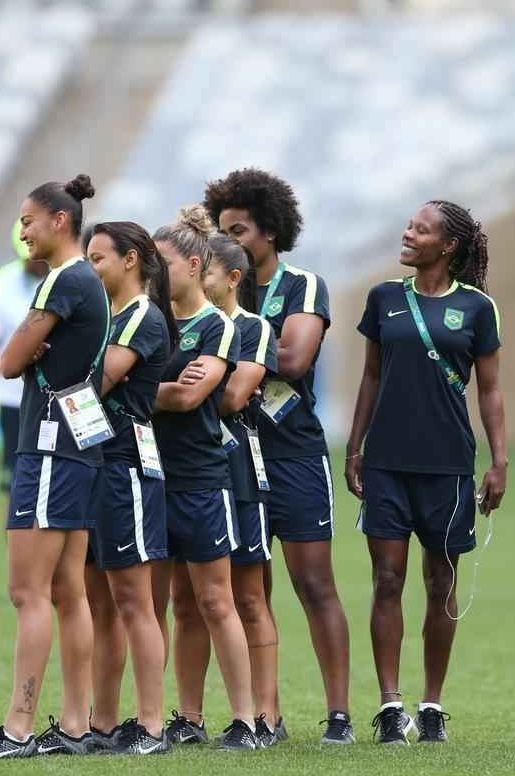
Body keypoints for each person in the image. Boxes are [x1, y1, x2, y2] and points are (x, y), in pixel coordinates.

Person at [0, 175, 109, 759]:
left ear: (59, 222)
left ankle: (18, 727)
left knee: (28, 591)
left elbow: (11, 362)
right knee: (69, 590)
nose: (22, 231)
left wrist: (29, 346)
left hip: (48, 445)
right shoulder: (86, 281)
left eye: (28, 220)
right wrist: (30, 349)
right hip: (77, 445)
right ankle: (73, 726)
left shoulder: (60, 284)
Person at [345, 200, 508, 745]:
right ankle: (390, 706)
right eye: (410, 225)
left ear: (449, 245)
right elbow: (370, 377)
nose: (408, 233)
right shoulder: (385, 299)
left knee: (441, 582)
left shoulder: (478, 308)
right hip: (388, 463)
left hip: (448, 468)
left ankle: (432, 705)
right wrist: (354, 446)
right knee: (386, 579)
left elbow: (490, 390)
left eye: (421, 229)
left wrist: (499, 461)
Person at [203, 169, 353, 744]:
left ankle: (337, 713)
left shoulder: (304, 286)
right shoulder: (219, 290)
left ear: (270, 230)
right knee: (250, 590)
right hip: (234, 454)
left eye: (239, 228)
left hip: (293, 452)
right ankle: (266, 714)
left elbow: (292, 358)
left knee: (314, 584)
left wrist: (234, 335)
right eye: (223, 230)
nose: (230, 239)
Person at [149, 206, 258, 751]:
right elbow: (159, 392)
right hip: (149, 474)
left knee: (216, 600)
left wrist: (149, 393)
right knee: (170, 605)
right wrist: (161, 394)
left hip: (199, 475)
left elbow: (193, 396)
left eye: (160, 263)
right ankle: (185, 718)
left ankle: (246, 719)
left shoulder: (217, 326)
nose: (150, 273)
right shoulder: (148, 321)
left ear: (193, 266)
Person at [81, 221, 178, 755]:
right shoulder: (110, 315)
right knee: (100, 603)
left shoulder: (142, 316)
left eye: (98, 259)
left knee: (135, 601)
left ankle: (151, 725)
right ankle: (102, 721)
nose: (91, 269)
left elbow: (98, 379)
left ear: (132, 260)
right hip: (97, 464)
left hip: (126, 467)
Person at [184, 233, 283, 746]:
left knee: (247, 594)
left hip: (238, 468)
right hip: (189, 467)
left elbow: (232, 397)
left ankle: (265, 715)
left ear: (232, 279)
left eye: (207, 273)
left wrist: (196, 386)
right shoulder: (184, 323)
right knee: (189, 600)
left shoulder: (252, 328)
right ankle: (189, 716)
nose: (197, 281)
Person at [0, 220, 48, 503]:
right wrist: (20, 362)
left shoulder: (72, 279)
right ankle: (15, 549)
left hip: (63, 401)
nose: (38, 264)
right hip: (15, 403)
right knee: (15, 484)